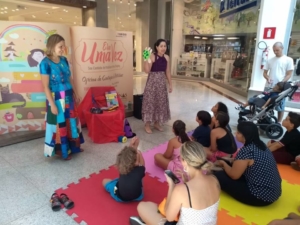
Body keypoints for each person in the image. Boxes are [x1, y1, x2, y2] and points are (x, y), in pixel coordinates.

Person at [130, 141, 220, 225]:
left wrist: (172, 186)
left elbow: (169, 217)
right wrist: (185, 181)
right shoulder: (214, 180)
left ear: (184, 162)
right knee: (153, 206)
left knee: (142, 206)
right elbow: (200, 198)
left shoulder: (182, 190)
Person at [214, 122, 282, 206]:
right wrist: (229, 160)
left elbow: (234, 175)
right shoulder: (261, 145)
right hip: (273, 192)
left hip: (260, 196)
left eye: (238, 132)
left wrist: (223, 163)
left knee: (219, 176)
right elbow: (243, 162)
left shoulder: (246, 151)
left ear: (245, 135)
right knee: (230, 165)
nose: (235, 133)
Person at [40, 34, 84, 160]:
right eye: (60, 46)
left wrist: (76, 92)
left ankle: (74, 147)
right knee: (60, 125)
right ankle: (63, 151)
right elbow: (45, 87)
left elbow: (70, 78)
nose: (63, 49)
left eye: (64, 46)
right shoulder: (45, 63)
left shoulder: (64, 60)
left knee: (72, 122)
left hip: (69, 96)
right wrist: (52, 104)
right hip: (57, 98)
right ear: (52, 46)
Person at [142, 39, 172, 134]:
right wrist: (146, 58)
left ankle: (156, 123)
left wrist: (170, 84)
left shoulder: (167, 57)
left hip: (161, 84)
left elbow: (167, 72)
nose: (163, 48)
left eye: (165, 46)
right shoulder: (152, 56)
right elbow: (147, 70)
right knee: (150, 102)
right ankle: (147, 124)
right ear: (157, 47)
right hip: (152, 83)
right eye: (161, 46)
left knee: (160, 102)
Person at [102, 137, 145, 202]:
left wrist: (131, 146)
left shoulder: (122, 167)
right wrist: (137, 149)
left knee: (105, 181)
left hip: (120, 197)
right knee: (139, 177)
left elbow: (126, 157)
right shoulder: (140, 170)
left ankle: (116, 185)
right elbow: (142, 164)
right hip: (138, 196)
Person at [263, 42, 294, 123]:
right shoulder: (270, 60)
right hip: (269, 86)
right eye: (274, 50)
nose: (275, 52)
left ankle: (279, 123)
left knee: (280, 106)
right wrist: (268, 78)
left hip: (280, 88)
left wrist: (281, 84)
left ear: (282, 49)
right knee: (266, 103)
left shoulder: (288, 60)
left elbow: (289, 75)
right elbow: (265, 73)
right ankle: (265, 120)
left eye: (277, 50)